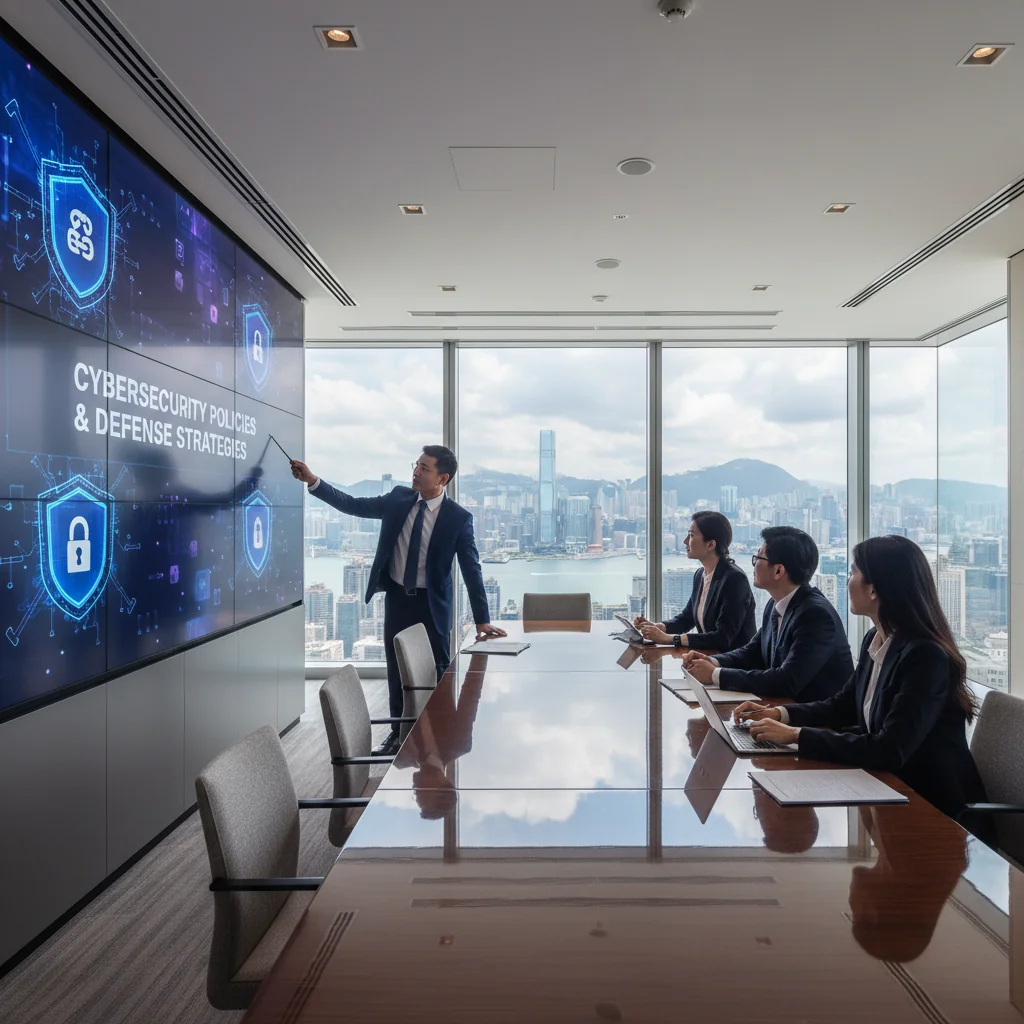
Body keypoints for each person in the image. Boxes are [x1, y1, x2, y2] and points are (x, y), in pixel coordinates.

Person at [733, 535, 989, 825]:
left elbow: (889, 750)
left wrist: (796, 736)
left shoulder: (926, 657)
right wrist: (781, 714)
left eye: (853, 573)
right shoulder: (878, 638)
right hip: (887, 790)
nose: (848, 581)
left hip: (933, 809)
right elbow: (841, 706)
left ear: (874, 590)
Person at [291, 446, 506, 755]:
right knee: (396, 670)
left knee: (437, 673)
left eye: (425, 468)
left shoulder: (458, 519)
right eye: (416, 465)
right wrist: (313, 481)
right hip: (398, 600)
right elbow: (352, 504)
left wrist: (482, 618)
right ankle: (398, 734)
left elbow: (471, 569)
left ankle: (440, 737)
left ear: (442, 478)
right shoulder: (397, 499)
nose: (416, 472)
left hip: (432, 607)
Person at [683, 526, 852, 701]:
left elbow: (787, 681)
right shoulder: (776, 603)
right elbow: (753, 652)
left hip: (817, 721)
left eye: (758, 557)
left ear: (778, 570)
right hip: (782, 710)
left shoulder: (815, 615)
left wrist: (715, 675)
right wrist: (714, 662)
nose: (754, 563)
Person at [633, 510, 755, 652]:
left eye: (691, 535)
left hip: (735, 666)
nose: (685, 541)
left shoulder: (734, 579)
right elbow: (687, 618)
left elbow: (723, 638)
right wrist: (659, 627)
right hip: (710, 658)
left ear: (710, 545)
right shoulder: (700, 575)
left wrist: (670, 639)